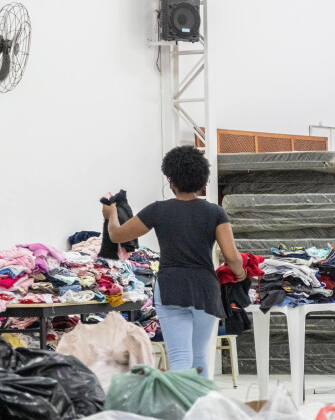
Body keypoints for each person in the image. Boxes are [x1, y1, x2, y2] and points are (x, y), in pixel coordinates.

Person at [104, 146, 246, 376]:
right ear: (203, 180)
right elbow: (231, 256)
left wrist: (111, 215)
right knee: (200, 355)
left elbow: (117, 236)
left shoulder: (158, 210)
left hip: (171, 287)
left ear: (171, 179)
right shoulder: (216, 212)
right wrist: (240, 273)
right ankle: (200, 408)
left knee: (180, 355)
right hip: (205, 289)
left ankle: (181, 408)